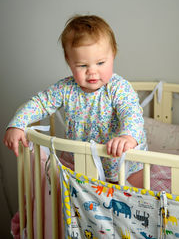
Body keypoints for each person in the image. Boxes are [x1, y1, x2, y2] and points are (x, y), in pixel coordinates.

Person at [3, 14, 147, 187]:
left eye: (100, 63)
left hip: (123, 163)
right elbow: (40, 103)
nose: (92, 72)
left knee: (138, 196)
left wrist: (127, 136)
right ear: (69, 62)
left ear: (113, 55)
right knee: (77, 201)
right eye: (82, 66)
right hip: (82, 165)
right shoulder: (66, 89)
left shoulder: (118, 88)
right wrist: (17, 123)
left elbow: (132, 113)